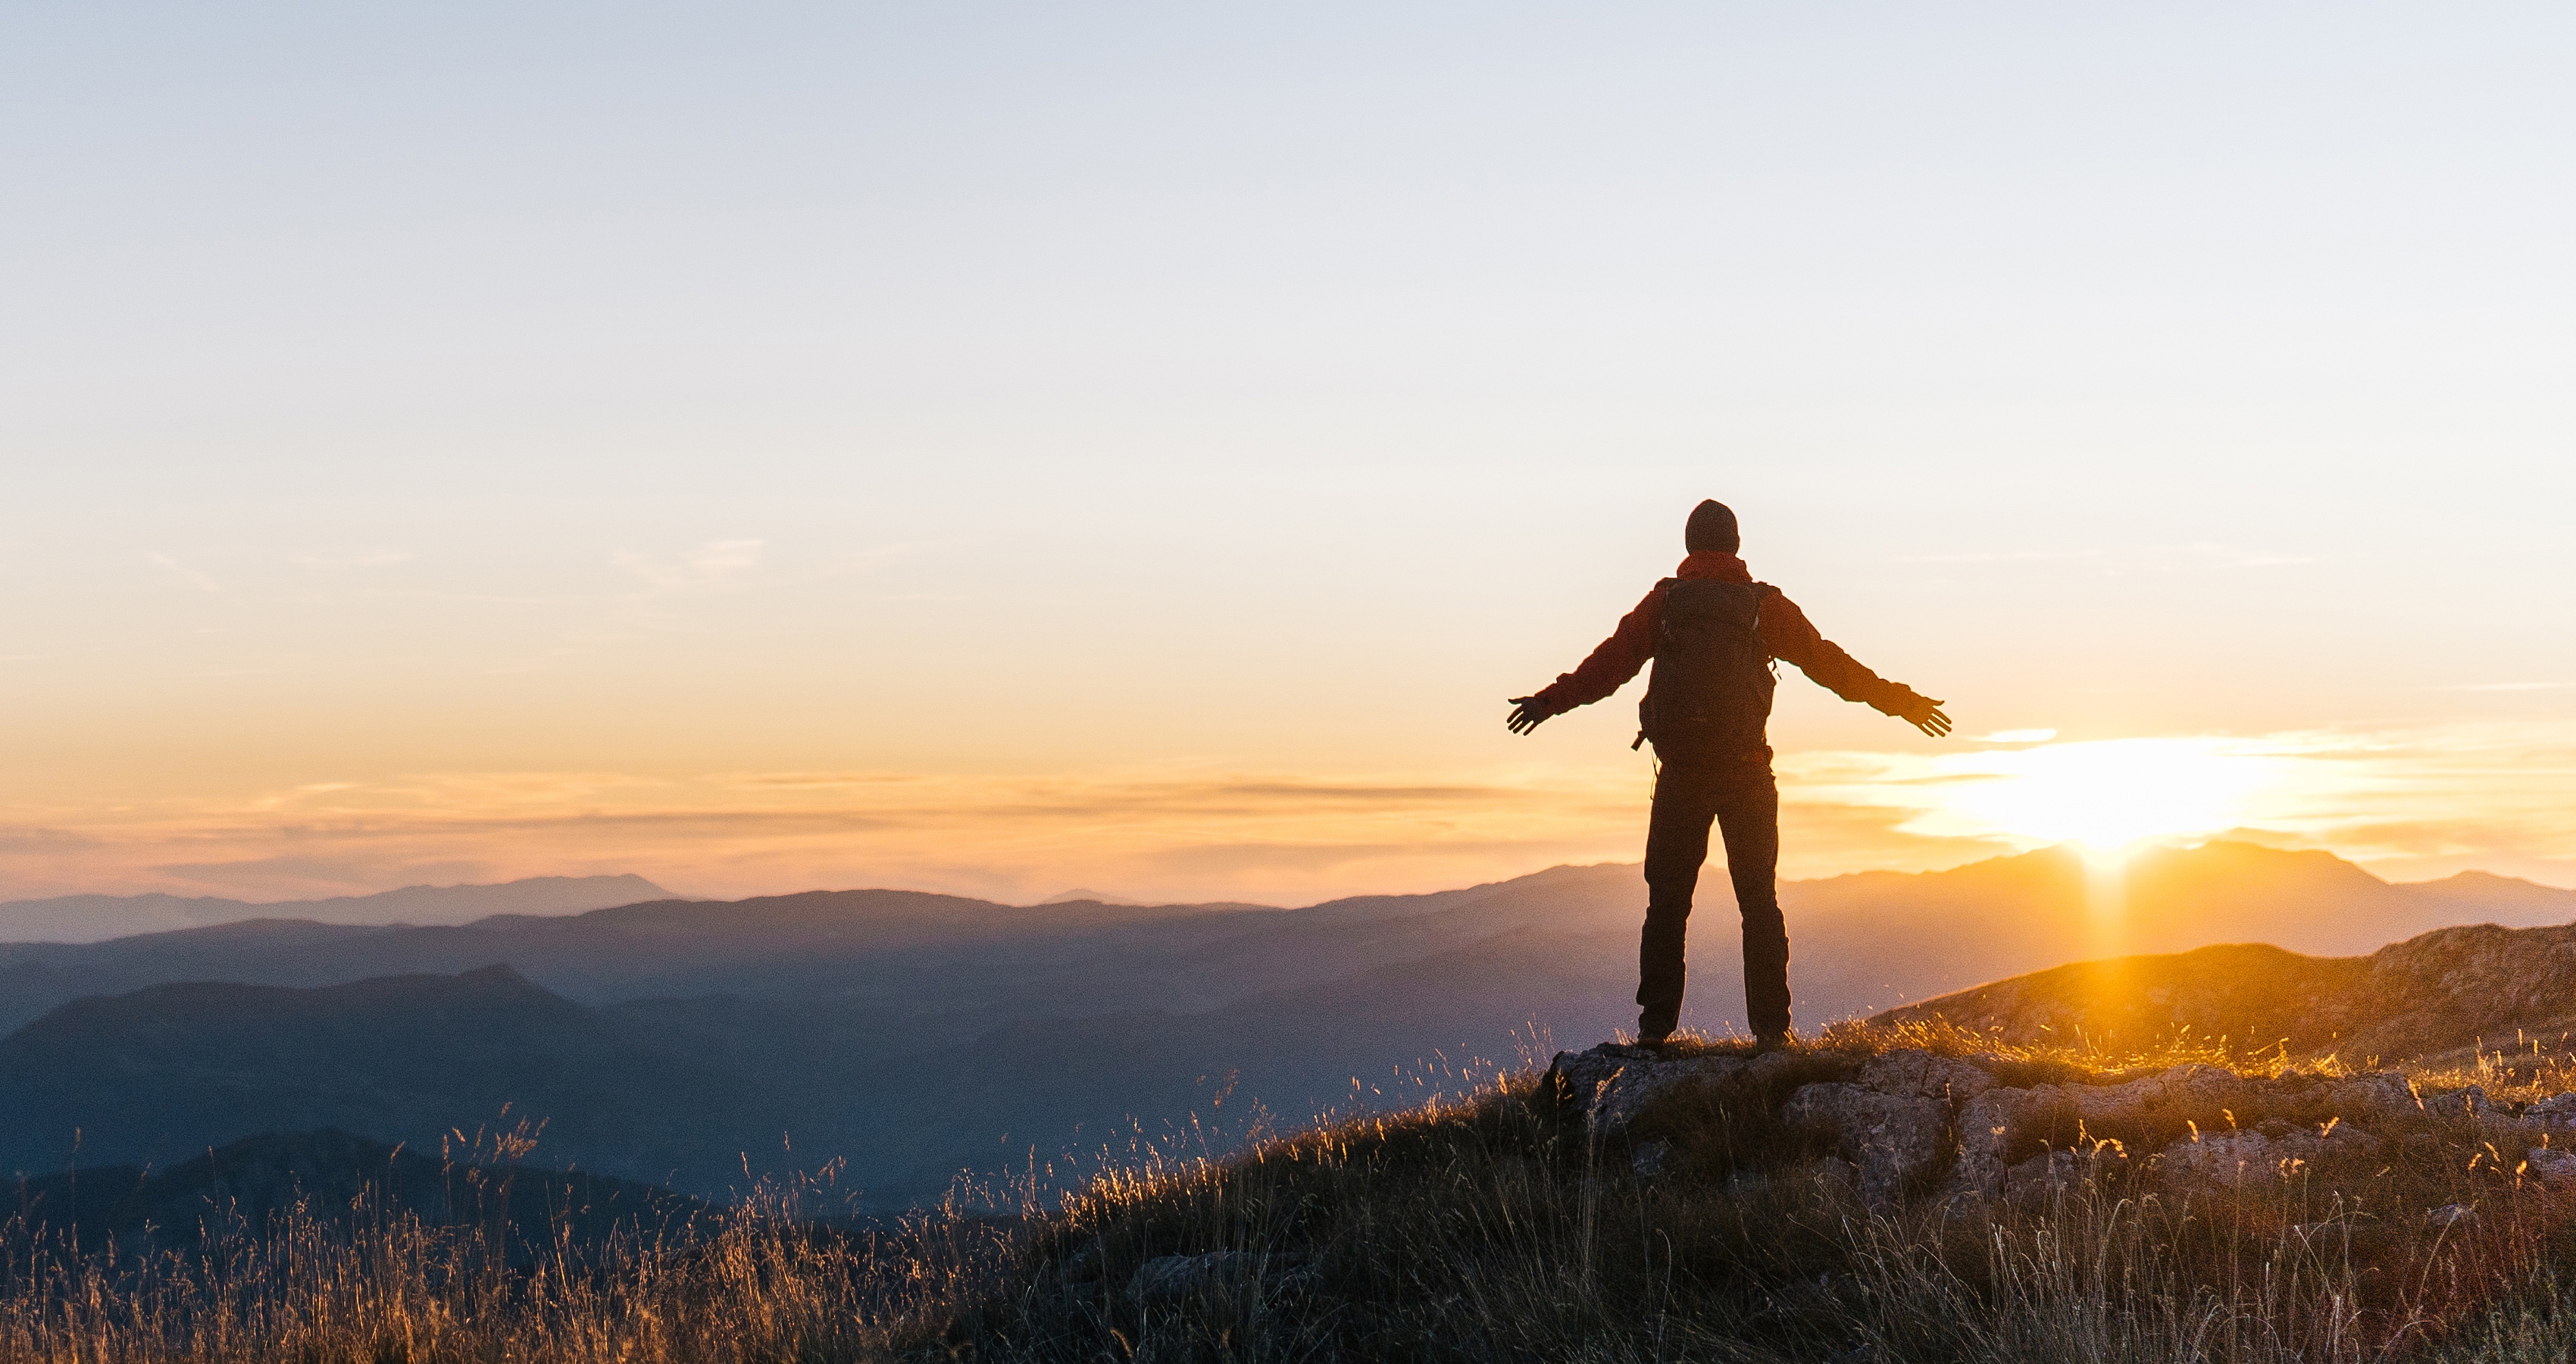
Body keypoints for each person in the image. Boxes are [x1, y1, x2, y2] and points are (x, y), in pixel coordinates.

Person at [1506, 499, 1949, 1047]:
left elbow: (1609, 665)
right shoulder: (1765, 608)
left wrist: (1550, 701)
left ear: (1690, 546)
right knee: (1759, 903)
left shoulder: (1666, 603)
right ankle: (1771, 1033)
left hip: (1681, 775)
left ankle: (1654, 1030)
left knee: (1667, 905)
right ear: (1737, 546)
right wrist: (1901, 703)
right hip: (1747, 775)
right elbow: (1833, 666)